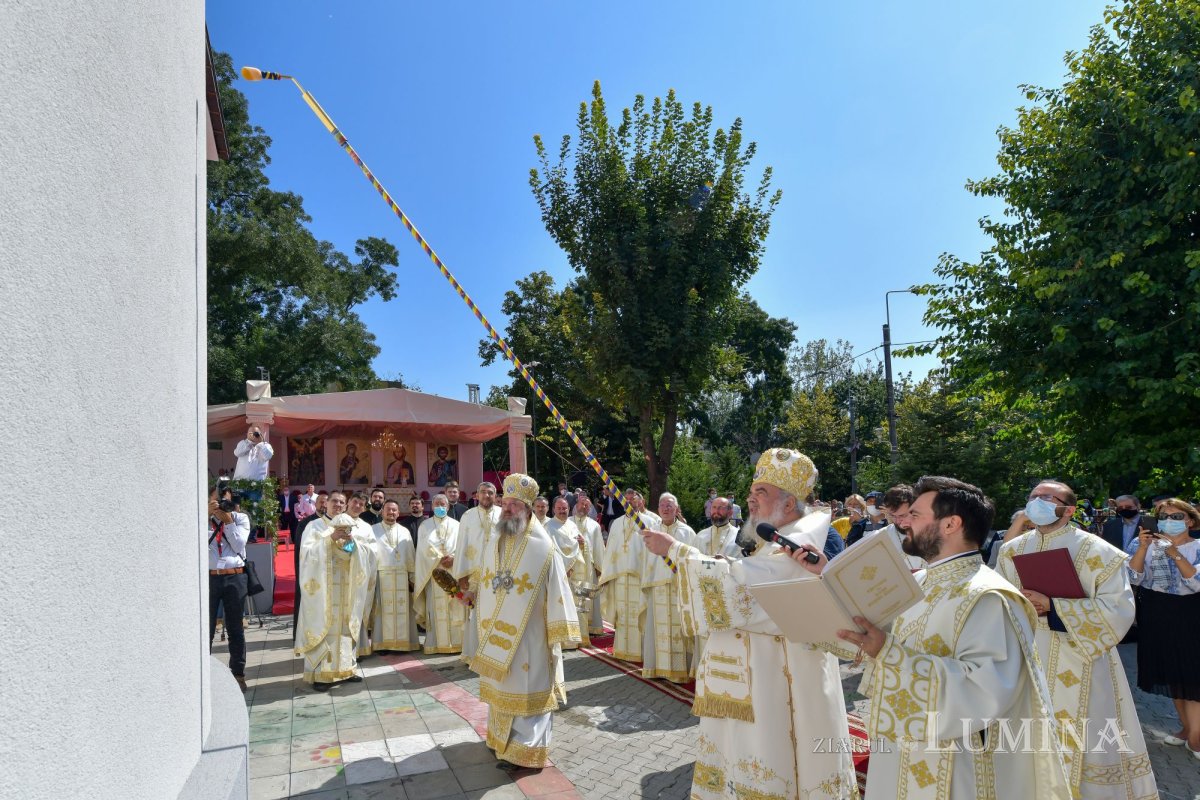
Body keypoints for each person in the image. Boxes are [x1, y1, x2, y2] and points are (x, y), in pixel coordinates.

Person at [804, 475, 1072, 799]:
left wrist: (888, 652)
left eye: (915, 515)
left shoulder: (989, 597)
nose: (904, 523)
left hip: (955, 761)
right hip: (903, 744)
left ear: (950, 525)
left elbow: (986, 689)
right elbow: (897, 638)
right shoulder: (921, 582)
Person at [642, 448, 857, 799]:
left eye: (761, 493)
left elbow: (743, 585)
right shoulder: (775, 538)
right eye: (751, 493)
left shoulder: (800, 543)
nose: (750, 501)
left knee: (775, 759)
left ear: (789, 504)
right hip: (759, 675)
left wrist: (675, 549)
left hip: (782, 682)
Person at [996, 480, 1155, 798]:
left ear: (1068, 510)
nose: (1037, 502)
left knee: (1089, 740)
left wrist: (1053, 605)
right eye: (1033, 497)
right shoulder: (1012, 550)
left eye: (1046, 498)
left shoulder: (1100, 553)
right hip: (1030, 656)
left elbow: (1119, 611)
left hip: (1084, 660)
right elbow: (999, 602)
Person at [470, 473, 579, 770]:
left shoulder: (543, 546)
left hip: (531, 633)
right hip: (498, 632)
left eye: (514, 504)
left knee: (530, 689)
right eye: (505, 503)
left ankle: (526, 752)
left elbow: (558, 588)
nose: (506, 509)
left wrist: (559, 630)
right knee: (504, 687)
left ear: (528, 509)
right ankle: (501, 742)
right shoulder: (498, 538)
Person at [1127, 497, 1200, 756]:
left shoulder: (1198, 547)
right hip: (1155, 611)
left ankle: (1196, 737)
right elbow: (1132, 577)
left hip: (1191, 612)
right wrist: (1143, 548)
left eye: (1177, 516)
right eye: (1164, 516)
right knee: (1171, 672)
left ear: (1190, 520)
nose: (1169, 521)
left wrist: (1175, 553)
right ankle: (1186, 728)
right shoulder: (1141, 543)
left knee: (1192, 675)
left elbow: (1196, 582)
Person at [295, 512, 378, 691]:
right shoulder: (314, 526)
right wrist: (330, 539)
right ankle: (320, 676)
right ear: (328, 504)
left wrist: (354, 544)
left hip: (347, 590)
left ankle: (347, 670)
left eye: (341, 502)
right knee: (325, 628)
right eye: (335, 502)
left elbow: (369, 553)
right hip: (324, 592)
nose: (338, 505)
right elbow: (307, 554)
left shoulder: (355, 527)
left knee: (346, 628)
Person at [640, 493, 695, 682]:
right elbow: (647, 561)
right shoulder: (651, 531)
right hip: (657, 587)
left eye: (670, 505)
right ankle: (656, 668)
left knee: (679, 628)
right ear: (658, 509)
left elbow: (693, 560)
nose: (665, 508)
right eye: (662, 505)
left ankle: (681, 670)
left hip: (679, 587)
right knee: (658, 629)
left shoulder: (687, 532)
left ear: (677, 509)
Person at [598, 489, 654, 662]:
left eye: (633, 498)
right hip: (620, 577)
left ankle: (642, 652)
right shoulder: (616, 523)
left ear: (639, 501)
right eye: (626, 499)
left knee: (639, 612)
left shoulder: (649, 522)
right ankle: (621, 649)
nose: (629, 501)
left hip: (640, 577)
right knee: (622, 615)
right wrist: (607, 574)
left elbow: (653, 552)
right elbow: (610, 550)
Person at [208, 488, 252, 692]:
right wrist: (207, 514)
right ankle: (204, 673)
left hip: (235, 576)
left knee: (235, 628)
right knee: (205, 628)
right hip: (209, 577)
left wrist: (228, 521)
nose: (221, 506)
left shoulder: (240, 519)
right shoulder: (200, 518)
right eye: (217, 501)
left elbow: (239, 543)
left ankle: (238, 674)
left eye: (226, 502)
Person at [452, 482, 500, 661]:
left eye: (490, 493)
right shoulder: (468, 516)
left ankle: (495, 654)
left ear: (495, 496)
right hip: (474, 573)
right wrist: (461, 574)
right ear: (477, 495)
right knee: (475, 614)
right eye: (483, 492)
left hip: (498, 573)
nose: (486, 496)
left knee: (497, 612)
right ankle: (474, 655)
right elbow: (462, 544)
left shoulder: (503, 514)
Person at [414, 494, 466, 654]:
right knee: (435, 609)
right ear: (432, 506)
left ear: (448, 506)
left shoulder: (458, 525)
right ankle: (435, 643)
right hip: (434, 573)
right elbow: (422, 550)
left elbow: (464, 547)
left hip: (454, 572)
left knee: (456, 606)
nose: (440, 506)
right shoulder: (425, 526)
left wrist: (454, 558)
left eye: (443, 504)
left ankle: (458, 643)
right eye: (437, 504)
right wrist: (438, 558)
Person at [370, 499, 419, 653]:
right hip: (381, 576)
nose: (391, 512)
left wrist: (412, 577)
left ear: (398, 513)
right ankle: (382, 644)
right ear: (382, 511)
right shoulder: (373, 529)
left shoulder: (404, 531)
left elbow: (410, 554)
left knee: (403, 609)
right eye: (388, 510)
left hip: (401, 577)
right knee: (382, 611)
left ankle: (404, 643)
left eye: (394, 510)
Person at [544, 497, 587, 648]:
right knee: (561, 605)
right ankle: (563, 641)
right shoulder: (548, 527)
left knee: (577, 605)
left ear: (569, 509)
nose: (562, 511)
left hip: (575, 573)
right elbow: (550, 551)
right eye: (559, 508)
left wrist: (582, 544)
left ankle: (576, 638)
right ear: (554, 509)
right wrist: (564, 568)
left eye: (565, 508)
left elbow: (578, 546)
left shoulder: (573, 525)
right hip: (559, 574)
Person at [853, 484, 924, 570]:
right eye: (892, 516)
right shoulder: (881, 537)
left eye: (902, 516)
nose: (898, 522)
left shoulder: (933, 531)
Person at [293, 490, 334, 638]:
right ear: (315, 504)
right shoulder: (306, 523)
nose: (324, 505)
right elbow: (301, 550)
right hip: (310, 570)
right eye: (321, 502)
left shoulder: (335, 522)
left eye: (326, 502)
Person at [346, 492, 379, 657]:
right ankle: (343, 653)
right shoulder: (335, 522)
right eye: (355, 502)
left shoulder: (366, 527)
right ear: (348, 502)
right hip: (341, 577)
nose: (357, 506)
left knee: (358, 610)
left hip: (359, 576)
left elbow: (373, 550)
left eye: (361, 504)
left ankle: (359, 649)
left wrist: (355, 545)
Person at [571, 494, 607, 637]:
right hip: (573, 567)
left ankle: (591, 627)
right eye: (581, 504)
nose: (584, 507)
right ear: (576, 505)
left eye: (587, 505)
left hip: (589, 567)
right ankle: (574, 625)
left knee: (590, 597)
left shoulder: (595, 525)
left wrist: (600, 569)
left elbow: (598, 547)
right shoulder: (568, 522)